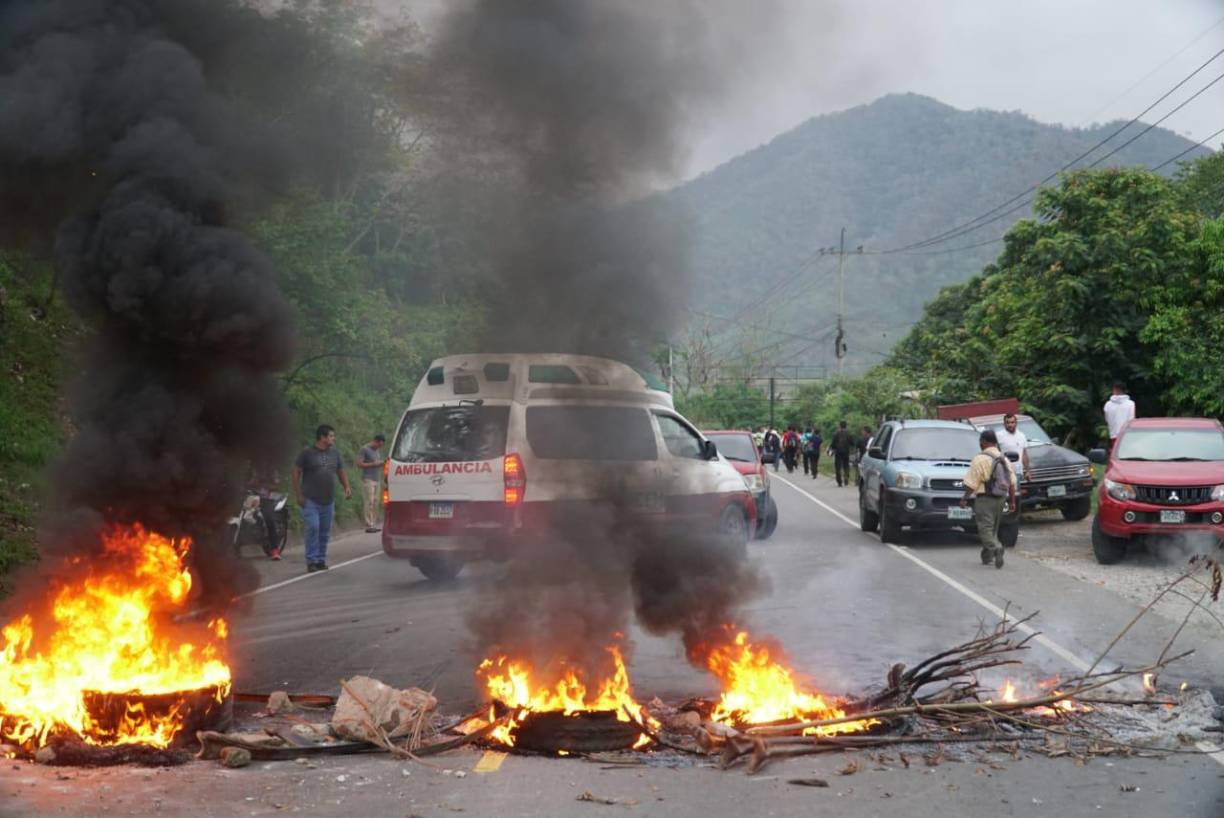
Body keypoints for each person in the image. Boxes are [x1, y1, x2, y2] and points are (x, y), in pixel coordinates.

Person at [293, 424, 352, 573]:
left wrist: (346, 486)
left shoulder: (335, 453)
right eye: (331, 436)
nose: (333, 438)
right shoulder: (307, 453)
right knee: (313, 527)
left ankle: (320, 560)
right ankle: (311, 560)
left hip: (328, 500)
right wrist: (298, 494)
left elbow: (340, 471)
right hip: (310, 499)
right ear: (322, 437)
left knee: (324, 532)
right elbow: (296, 472)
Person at [959, 430, 1016, 569]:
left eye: (980, 441)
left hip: (985, 499)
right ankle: (987, 557)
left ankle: (996, 548)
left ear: (984, 442)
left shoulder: (979, 459)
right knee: (993, 529)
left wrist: (964, 499)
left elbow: (971, 483)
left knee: (985, 528)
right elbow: (1012, 482)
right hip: (1001, 498)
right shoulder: (1004, 459)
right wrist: (1012, 501)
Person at [357, 434, 387, 534]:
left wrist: (382, 463)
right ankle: (369, 524)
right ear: (375, 441)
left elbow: (377, 463)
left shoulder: (377, 451)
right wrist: (373, 464)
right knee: (369, 501)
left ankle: (373, 523)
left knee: (376, 501)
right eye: (379, 444)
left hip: (377, 479)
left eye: (381, 445)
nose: (379, 447)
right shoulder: (364, 449)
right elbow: (359, 464)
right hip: (368, 478)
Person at [995, 413, 1030, 482]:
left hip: (1018, 472)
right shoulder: (998, 436)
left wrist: (1027, 471)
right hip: (1005, 473)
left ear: (1016, 423)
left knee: (1017, 488)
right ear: (1004, 424)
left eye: (1012, 422)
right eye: (1007, 422)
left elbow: (1024, 455)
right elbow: (995, 454)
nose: (1010, 425)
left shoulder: (1021, 435)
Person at [1103, 381, 1136, 450]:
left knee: (1115, 452)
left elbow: (1107, 419)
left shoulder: (1108, 404)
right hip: (1126, 435)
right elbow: (1131, 419)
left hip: (1113, 434)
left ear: (1115, 389)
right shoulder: (1131, 404)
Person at [828, 421, 853, 487]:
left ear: (840, 426)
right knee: (846, 465)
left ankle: (839, 481)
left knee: (838, 467)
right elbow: (852, 443)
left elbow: (833, 443)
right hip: (846, 451)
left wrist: (832, 449)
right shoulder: (848, 433)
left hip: (838, 452)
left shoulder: (836, 433)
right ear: (846, 426)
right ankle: (846, 477)